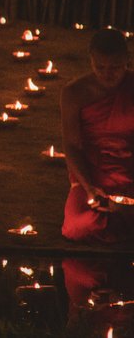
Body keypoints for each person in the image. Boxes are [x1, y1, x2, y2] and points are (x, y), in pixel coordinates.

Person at [60, 28, 134, 242]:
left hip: (129, 169)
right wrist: (89, 187)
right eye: (100, 67)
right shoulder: (74, 93)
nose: (107, 74)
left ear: (127, 61)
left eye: (115, 68)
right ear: (91, 60)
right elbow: (72, 146)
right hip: (93, 174)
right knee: (78, 226)